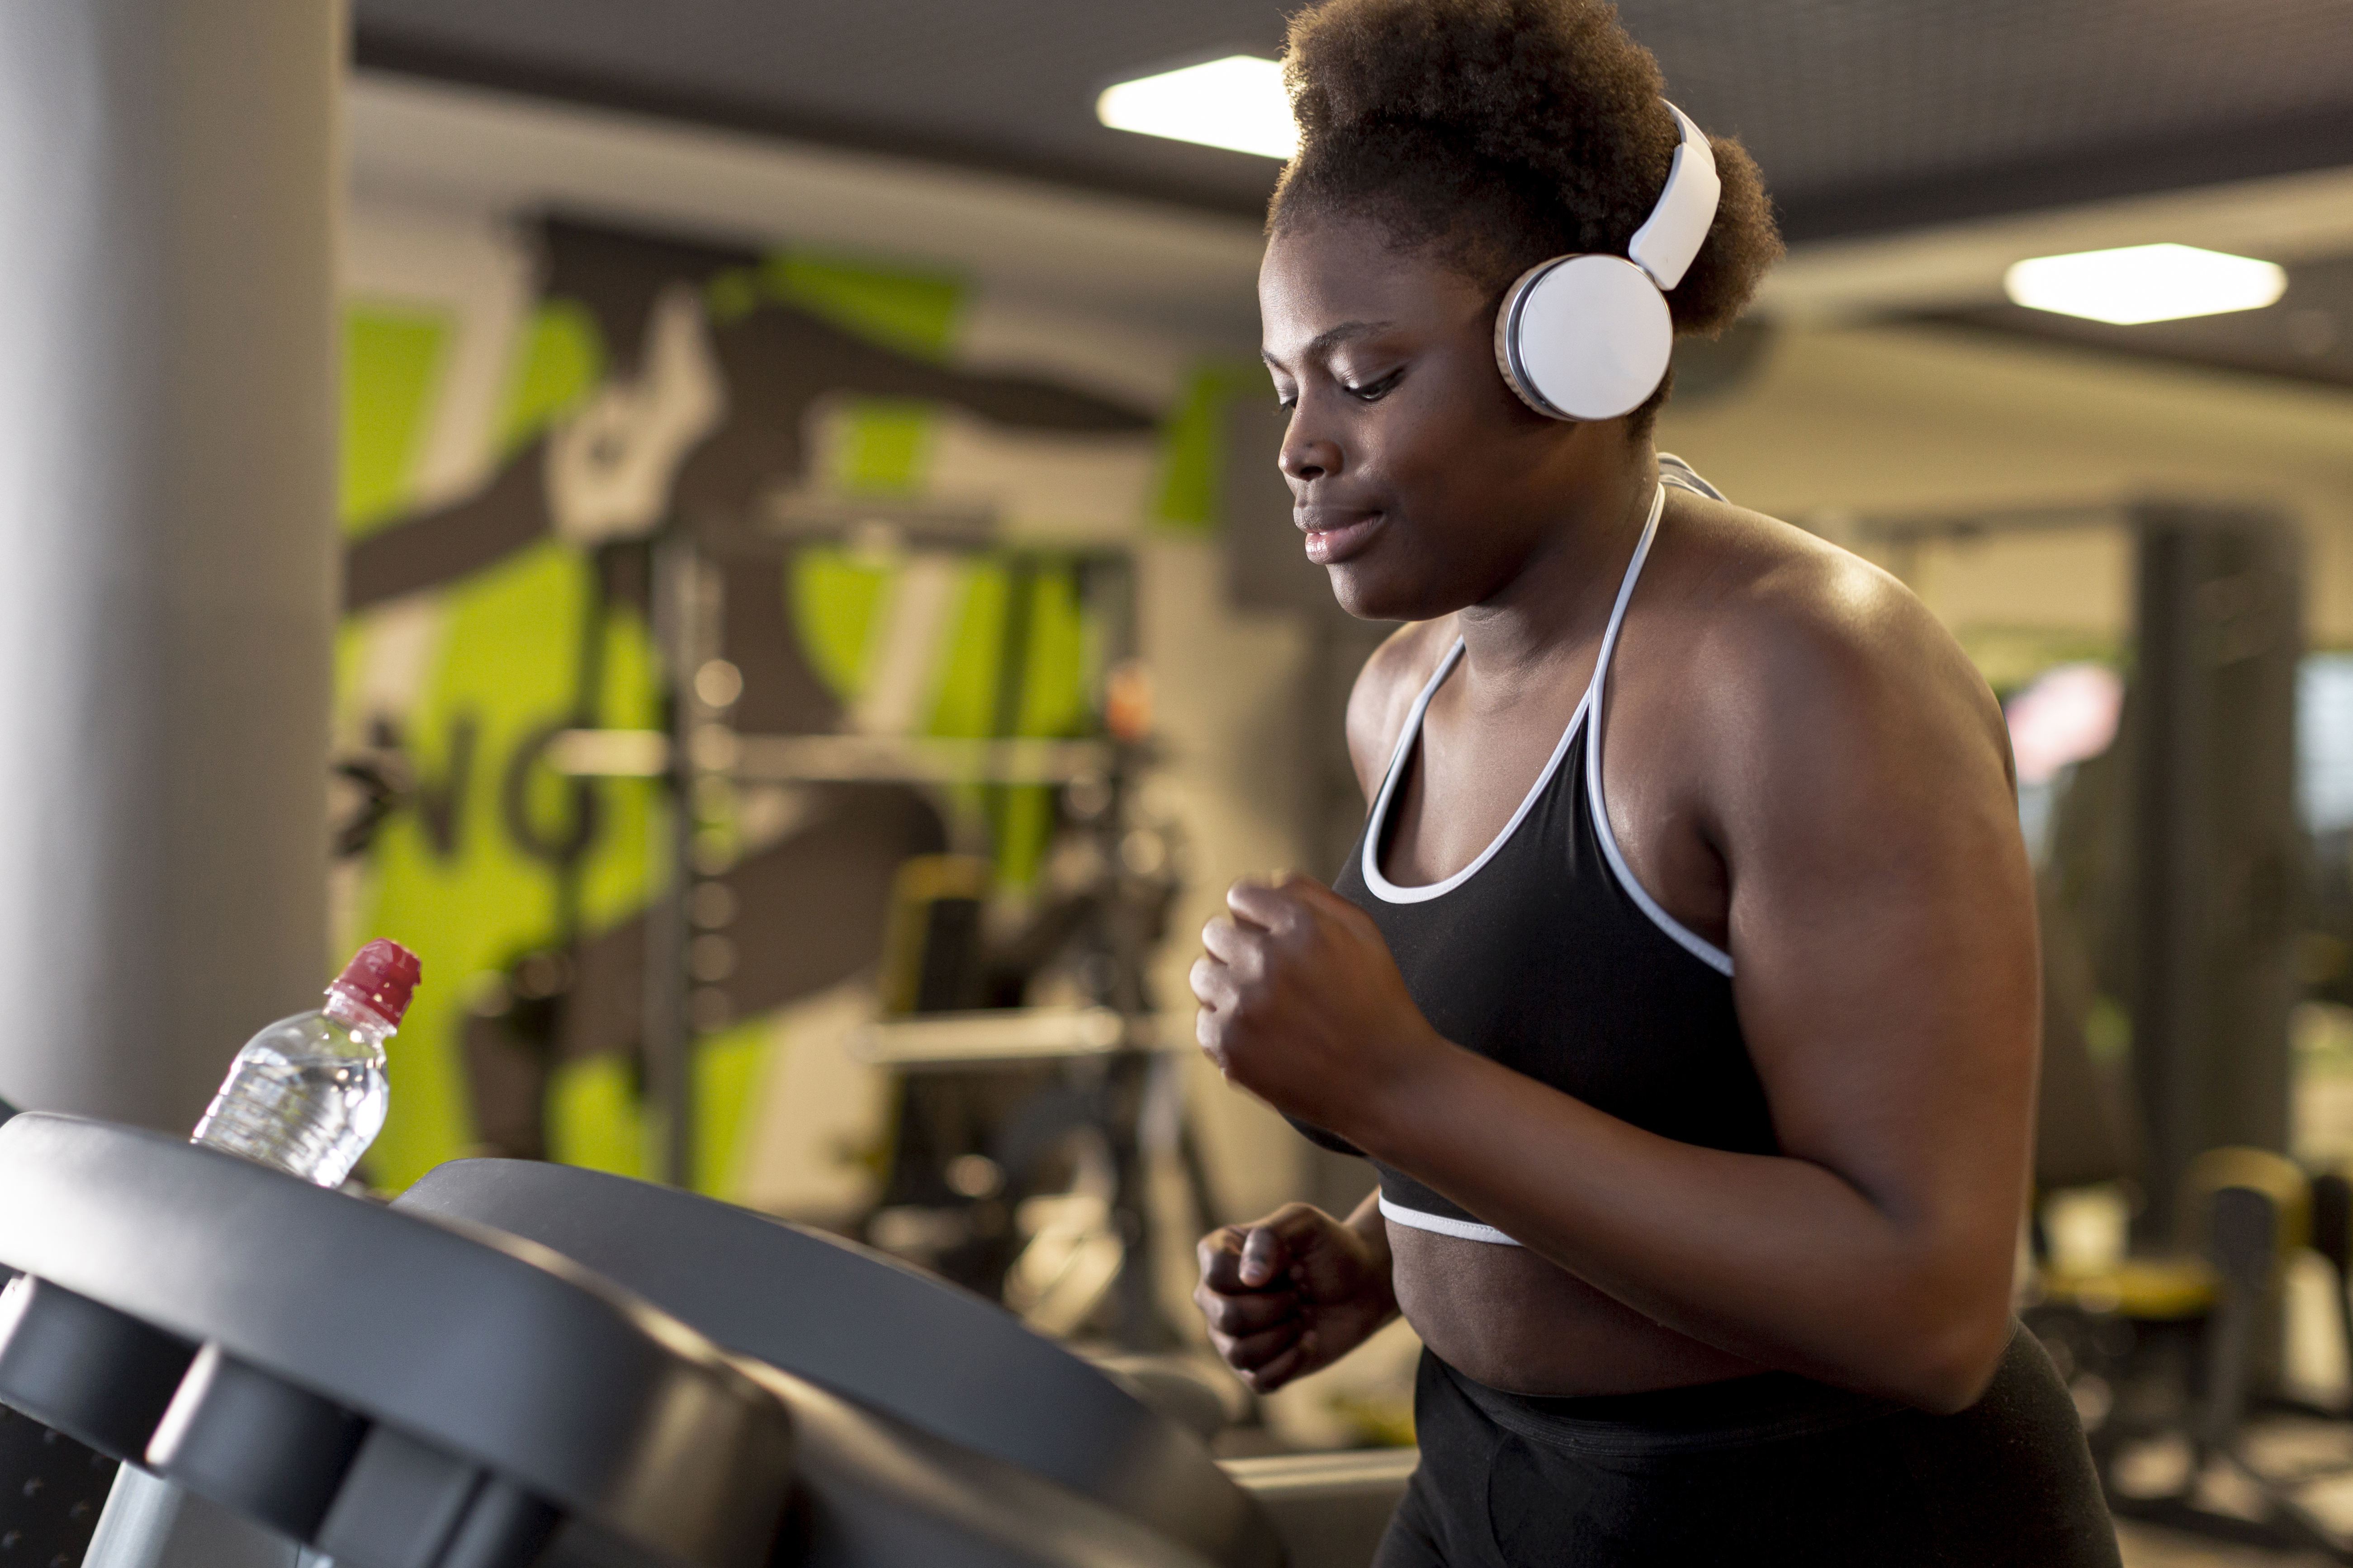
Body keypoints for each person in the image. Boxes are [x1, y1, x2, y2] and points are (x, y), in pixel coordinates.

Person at [1186, 1, 2119, 1562]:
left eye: (1362, 375)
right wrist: (1392, 1246)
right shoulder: (1399, 697)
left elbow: (1927, 1303)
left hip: (1818, 1512)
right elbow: (1608, 1085)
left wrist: (1395, 1089)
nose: (1297, 443)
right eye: (1285, 381)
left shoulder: (1805, 670)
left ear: (1579, 352)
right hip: (1491, 1473)